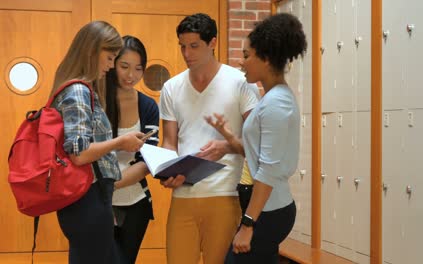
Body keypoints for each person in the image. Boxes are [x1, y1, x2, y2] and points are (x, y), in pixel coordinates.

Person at [205, 13, 307, 263]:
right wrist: (228, 140)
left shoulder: (276, 104)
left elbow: (268, 170)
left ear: (267, 58)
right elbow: (258, 154)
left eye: (247, 55)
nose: (242, 63)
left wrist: (248, 224)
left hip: (268, 212)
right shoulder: (273, 99)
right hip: (265, 208)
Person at [158, 13, 259, 264]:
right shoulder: (172, 87)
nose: (187, 53)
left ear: (212, 43)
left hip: (225, 195)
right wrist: (166, 170)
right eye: (182, 46)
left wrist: (225, 146)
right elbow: (169, 142)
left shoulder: (240, 82)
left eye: (194, 46)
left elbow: (258, 144)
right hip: (183, 195)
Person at [50, 21, 145, 264]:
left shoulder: (78, 88)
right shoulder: (79, 92)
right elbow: (79, 154)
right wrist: (119, 142)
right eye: (110, 58)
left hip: (86, 199)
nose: (111, 66)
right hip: (87, 198)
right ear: (93, 51)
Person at [106, 35, 159, 264]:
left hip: (135, 201)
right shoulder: (96, 100)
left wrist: (111, 183)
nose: (131, 75)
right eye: (124, 66)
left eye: (138, 69)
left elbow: (147, 160)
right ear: (112, 65)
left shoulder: (147, 105)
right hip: (98, 202)